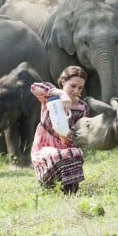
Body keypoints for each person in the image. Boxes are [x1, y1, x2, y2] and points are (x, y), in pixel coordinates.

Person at [30, 66, 89, 194]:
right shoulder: (51, 97)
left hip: (66, 144)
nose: (76, 91)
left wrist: (71, 136)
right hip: (44, 146)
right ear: (63, 82)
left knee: (75, 153)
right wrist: (61, 93)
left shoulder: (82, 107)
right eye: (72, 86)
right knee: (56, 156)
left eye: (80, 88)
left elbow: (80, 131)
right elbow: (34, 87)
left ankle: (70, 190)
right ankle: (48, 186)